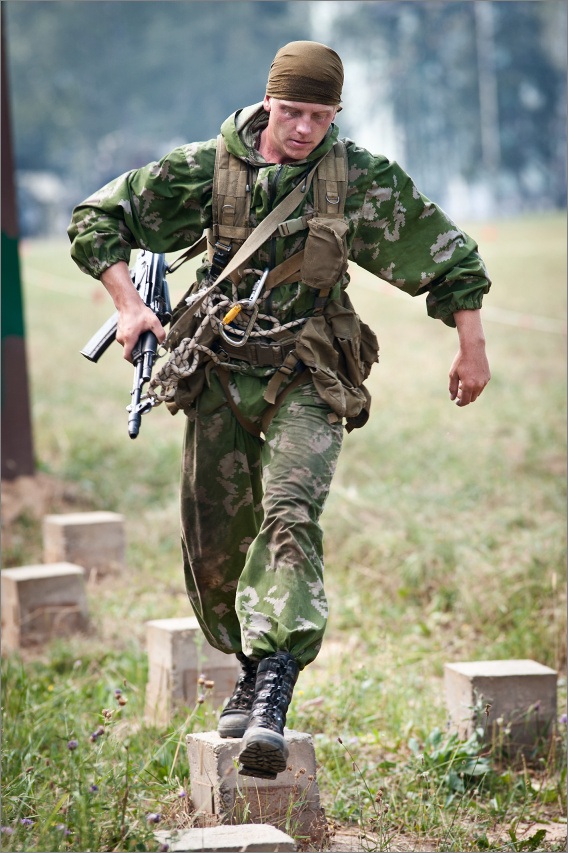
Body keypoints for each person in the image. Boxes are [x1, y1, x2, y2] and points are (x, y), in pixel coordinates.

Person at [68, 41, 491, 780]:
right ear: (269, 102)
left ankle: (273, 689)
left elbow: (448, 257)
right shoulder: (208, 167)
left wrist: (471, 348)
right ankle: (249, 662)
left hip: (310, 371)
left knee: (290, 513)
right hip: (219, 370)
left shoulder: (359, 179)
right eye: (291, 111)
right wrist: (129, 306)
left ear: (336, 115)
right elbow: (96, 220)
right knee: (214, 542)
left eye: (318, 116)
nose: (302, 129)